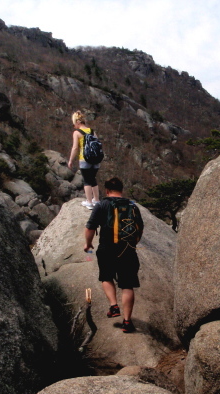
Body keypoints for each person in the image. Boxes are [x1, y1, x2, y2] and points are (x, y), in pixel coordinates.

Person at [84, 177, 143, 333]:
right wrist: (132, 243)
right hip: (128, 249)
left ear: (107, 190)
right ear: (121, 190)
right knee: (127, 285)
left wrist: (88, 244)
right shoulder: (132, 205)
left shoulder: (102, 205)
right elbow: (140, 228)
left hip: (107, 248)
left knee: (106, 277)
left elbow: (90, 227)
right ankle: (127, 322)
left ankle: (114, 306)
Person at [67, 110, 100, 210]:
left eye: (74, 124)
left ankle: (89, 202)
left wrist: (70, 160)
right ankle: (97, 200)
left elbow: (75, 148)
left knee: (87, 181)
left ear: (77, 122)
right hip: (95, 159)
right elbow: (98, 144)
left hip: (84, 159)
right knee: (93, 179)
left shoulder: (77, 133)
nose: (74, 126)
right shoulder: (92, 131)